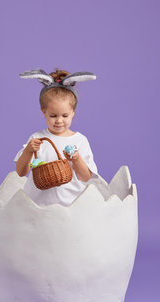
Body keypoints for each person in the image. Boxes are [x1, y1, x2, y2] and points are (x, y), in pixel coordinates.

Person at [14, 68, 99, 207]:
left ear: (73, 112)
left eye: (65, 115)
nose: (59, 121)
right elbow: (21, 172)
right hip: (39, 207)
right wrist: (28, 150)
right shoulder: (38, 138)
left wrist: (76, 159)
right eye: (53, 116)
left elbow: (86, 177)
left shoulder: (80, 140)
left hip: (72, 206)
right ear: (44, 111)